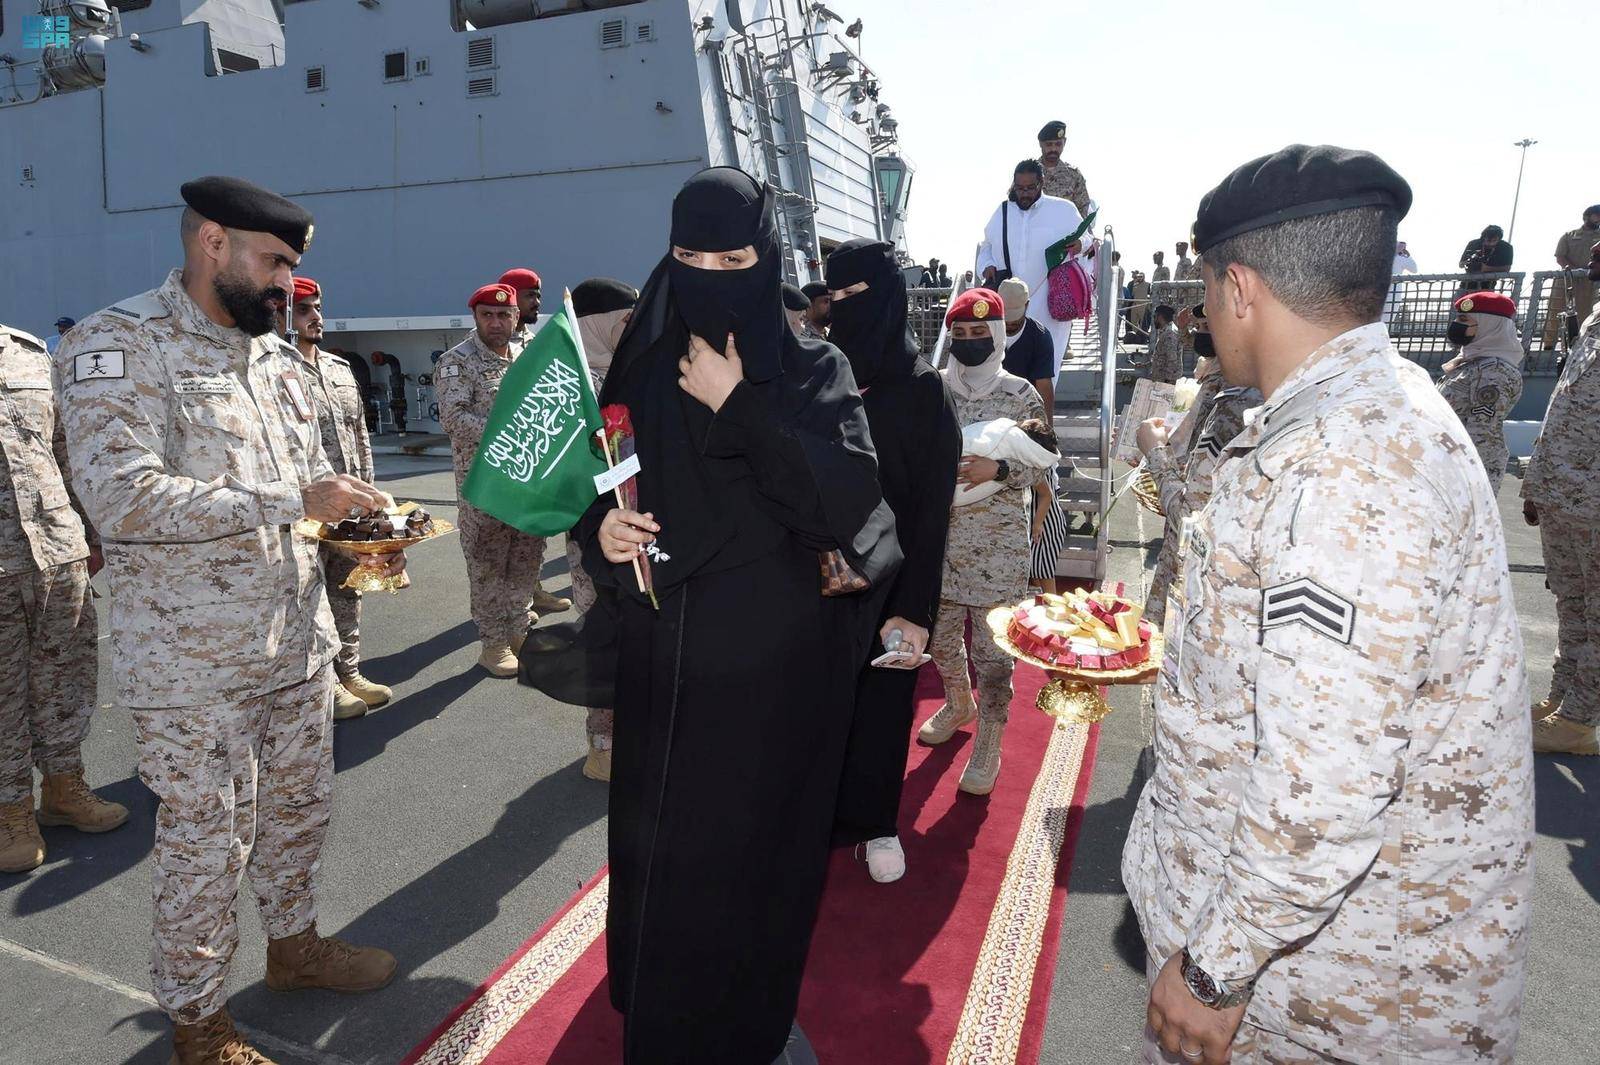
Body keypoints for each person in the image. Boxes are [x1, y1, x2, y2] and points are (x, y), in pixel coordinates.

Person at [1124, 145, 1532, 1065]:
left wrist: (1214, 971)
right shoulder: (1376, 409)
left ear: (1239, 288)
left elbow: (1323, 789)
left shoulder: (1345, 470)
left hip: (1324, 1002)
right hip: (1315, 972)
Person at [55, 175, 403, 1065]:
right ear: (213, 242)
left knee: (298, 814)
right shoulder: (117, 344)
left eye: (293, 266)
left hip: (293, 642)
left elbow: (309, 489)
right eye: (275, 260)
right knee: (206, 845)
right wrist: (294, 497)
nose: (288, 282)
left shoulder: (277, 359)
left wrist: (362, 521)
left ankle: (294, 948)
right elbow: (120, 496)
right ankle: (198, 1023)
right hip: (191, 666)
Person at [580, 167, 899, 1063]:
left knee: (752, 857)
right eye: (690, 256)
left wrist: (741, 405)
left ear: (767, 258)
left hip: (769, 670)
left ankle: (744, 1026)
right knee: (662, 849)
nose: (711, 274)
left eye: (734, 256)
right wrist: (603, 528)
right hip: (664, 660)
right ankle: (658, 1015)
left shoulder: (812, 369)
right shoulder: (642, 363)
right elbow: (606, 474)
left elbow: (840, 507)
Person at [825, 237, 960, 885]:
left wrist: (916, 609)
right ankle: (816, 819)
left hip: (893, 584)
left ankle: (877, 821)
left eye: (862, 295)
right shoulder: (816, 376)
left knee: (882, 707)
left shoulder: (922, 392)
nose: (848, 308)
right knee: (817, 708)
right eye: (837, 296)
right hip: (817, 580)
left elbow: (932, 514)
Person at [0, 322, 126, 875]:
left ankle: (63, 786)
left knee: (66, 672)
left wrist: (91, 531)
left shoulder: (25, 351)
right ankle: (9, 809)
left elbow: (62, 447)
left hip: (56, 545)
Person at [918, 289, 1046, 795]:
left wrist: (1003, 468)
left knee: (993, 654)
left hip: (997, 549)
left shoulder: (1020, 395)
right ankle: (958, 702)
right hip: (940, 543)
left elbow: (1044, 463)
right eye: (961, 334)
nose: (970, 342)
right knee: (941, 640)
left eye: (980, 333)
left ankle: (989, 739)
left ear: (997, 335)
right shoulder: (933, 389)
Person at [437, 283, 570, 678]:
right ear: (475, 317)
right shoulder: (456, 362)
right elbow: (455, 419)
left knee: (526, 561)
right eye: (487, 315)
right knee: (488, 567)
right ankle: (493, 643)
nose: (496, 323)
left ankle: (520, 631)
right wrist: (512, 433)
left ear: (516, 317)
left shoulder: (530, 356)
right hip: (485, 490)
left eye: (504, 315)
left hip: (528, 486)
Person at [287, 277, 390, 720]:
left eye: (317, 307)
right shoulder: (276, 370)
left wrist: (372, 494)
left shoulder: (338, 368)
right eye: (303, 309)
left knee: (349, 590)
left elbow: (359, 436)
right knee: (310, 599)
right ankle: (324, 686)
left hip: (350, 509)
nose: (316, 317)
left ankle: (349, 672)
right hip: (306, 509)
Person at [1136, 305, 1261, 625]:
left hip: (1195, 591)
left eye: (1207, 325)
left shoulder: (1238, 400)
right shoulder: (1228, 385)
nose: (1200, 332)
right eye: (1198, 326)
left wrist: (1156, 455)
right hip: (1190, 575)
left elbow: (1192, 519)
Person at [1523, 237, 1600, 751]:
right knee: (1572, 606)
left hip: (1593, 499)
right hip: (1564, 492)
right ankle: (1563, 699)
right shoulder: (1594, 321)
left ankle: (1581, 720)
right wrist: (1538, 483)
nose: (1591, 256)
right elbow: (1566, 407)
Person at [566, 276, 639, 782]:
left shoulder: (627, 374)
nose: (631, 327)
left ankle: (632, 731)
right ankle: (603, 744)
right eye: (624, 318)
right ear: (598, 322)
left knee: (634, 635)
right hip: (592, 537)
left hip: (635, 527)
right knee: (602, 633)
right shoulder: (569, 384)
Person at [977, 159, 1086, 375]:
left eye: (1030, 188)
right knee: (1009, 366)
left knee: (1047, 367)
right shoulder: (1003, 211)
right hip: (1011, 303)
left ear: (1041, 183)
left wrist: (1082, 244)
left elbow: (1089, 239)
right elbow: (986, 246)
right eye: (1019, 188)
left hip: (1049, 302)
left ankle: (1045, 409)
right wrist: (987, 265)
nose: (1024, 194)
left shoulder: (1063, 209)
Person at [996, 277, 1066, 594]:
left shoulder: (1039, 336)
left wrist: (1045, 437)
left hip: (1026, 430)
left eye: (1014, 318)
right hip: (993, 430)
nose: (1008, 326)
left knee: (1041, 512)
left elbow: (1044, 387)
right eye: (1004, 319)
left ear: (1026, 306)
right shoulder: (987, 328)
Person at [1438, 291, 1525, 497]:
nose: (1456, 325)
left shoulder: (1494, 372)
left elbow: (1482, 433)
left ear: (1489, 324)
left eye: (1463, 320)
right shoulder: (1471, 362)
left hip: (1463, 477)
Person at [1544, 204, 1600, 347]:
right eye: (1597, 215)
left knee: (1585, 313)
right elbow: (1560, 257)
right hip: (1566, 280)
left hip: (1589, 282)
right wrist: (1575, 272)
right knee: (1555, 312)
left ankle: (1579, 345)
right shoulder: (1569, 235)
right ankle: (1548, 345)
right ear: (1587, 216)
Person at [1036, 119, 1092, 216]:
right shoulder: (1028, 174)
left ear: (1064, 142)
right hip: (1036, 230)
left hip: (1066, 231)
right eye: (1049, 144)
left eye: (1058, 144)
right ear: (1041, 144)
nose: (1053, 149)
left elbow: (1083, 213)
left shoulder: (1074, 176)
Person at [1458, 224, 1514, 292]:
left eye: (1494, 240)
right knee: (1459, 301)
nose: (1490, 243)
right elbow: (1461, 264)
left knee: (1485, 301)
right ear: (1483, 237)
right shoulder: (1474, 244)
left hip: (1488, 285)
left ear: (1499, 239)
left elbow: (1507, 268)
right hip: (1467, 283)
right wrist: (1467, 262)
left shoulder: (1506, 247)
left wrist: (1487, 268)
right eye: (1488, 240)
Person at [498, 267, 542, 346]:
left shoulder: (534, 343)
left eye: (538, 297)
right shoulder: (486, 340)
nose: (537, 303)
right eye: (530, 295)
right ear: (510, 298)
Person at [1146, 304, 1181, 384]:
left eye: (1155, 317)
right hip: (1162, 380)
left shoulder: (1170, 334)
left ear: (1160, 317)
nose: (1154, 320)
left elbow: (1172, 360)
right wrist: (1146, 364)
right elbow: (1162, 357)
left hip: (1166, 382)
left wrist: (1167, 383)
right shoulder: (1166, 331)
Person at [377, 351, 408, 435]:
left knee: (399, 410)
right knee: (399, 411)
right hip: (398, 398)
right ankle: (401, 429)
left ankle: (401, 429)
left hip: (398, 399)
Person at [1126, 269, 1152, 341]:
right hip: (1135, 305)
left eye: (1141, 276)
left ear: (1144, 277)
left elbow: (1150, 294)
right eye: (1138, 276)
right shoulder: (1134, 285)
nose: (1139, 278)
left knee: (1143, 323)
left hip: (1143, 305)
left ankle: (1144, 337)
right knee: (1133, 322)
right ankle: (1135, 337)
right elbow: (1132, 295)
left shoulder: (1148, 285)